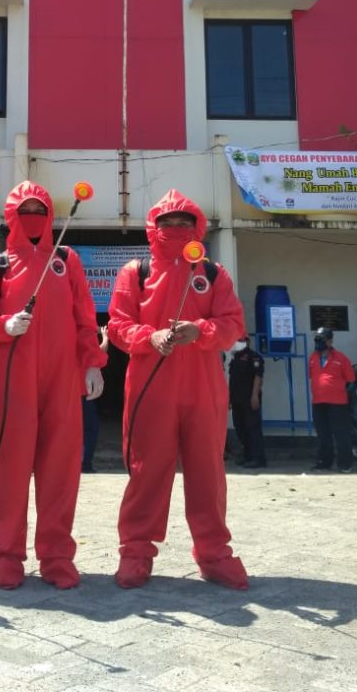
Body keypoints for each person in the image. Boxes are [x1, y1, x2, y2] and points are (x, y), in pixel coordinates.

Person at [107, 189, 249, 591]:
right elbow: (117, 325)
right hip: (151, 387)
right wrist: (149, 337)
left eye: (183, 222)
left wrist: (199, 331)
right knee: (146, 472)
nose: (174, 228)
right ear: (153, 228)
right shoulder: (135, 272)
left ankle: (214, 554)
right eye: (166, 222)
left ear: (197, 227)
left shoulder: (214, 274)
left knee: (208, 474)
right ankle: (135, 553)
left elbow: (233, 325)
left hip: (203, 388)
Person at [0, 181, 106, 590]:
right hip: (10, 383)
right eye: (24, 211)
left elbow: (85, 319)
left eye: (39, 210)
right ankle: (7, 555)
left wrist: (93, 364)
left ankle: (56, 555)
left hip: (61, 381)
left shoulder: (67, 260)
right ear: (12, 216)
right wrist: (3, 325)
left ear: (50, 216)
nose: (32, 218)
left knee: (60, 471)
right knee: (9, 470)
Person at [308, 327, 355, 473]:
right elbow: (312, 376)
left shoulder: (341, 358)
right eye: (316, 339)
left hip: (337, 403)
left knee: (341, 434)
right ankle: (324, 462)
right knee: (323, 434)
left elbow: (351, 379)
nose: (318, 342)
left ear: (329, 341)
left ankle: (345, 464)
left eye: (321, 340)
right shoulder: (313, 358)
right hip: (318, 402)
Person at [228, 335, 267, 468]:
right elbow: (232, 380)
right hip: (237, 399)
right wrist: (229, 398)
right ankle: (248, 455)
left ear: (247, 342)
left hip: (249, 399)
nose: (238, 343)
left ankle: (258, 458)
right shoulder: (235, 357)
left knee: (252, 428)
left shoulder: (254, 357)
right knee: (240, 428)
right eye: (237, 340)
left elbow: (258, 376)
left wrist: (255, 395)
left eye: (240, 340)